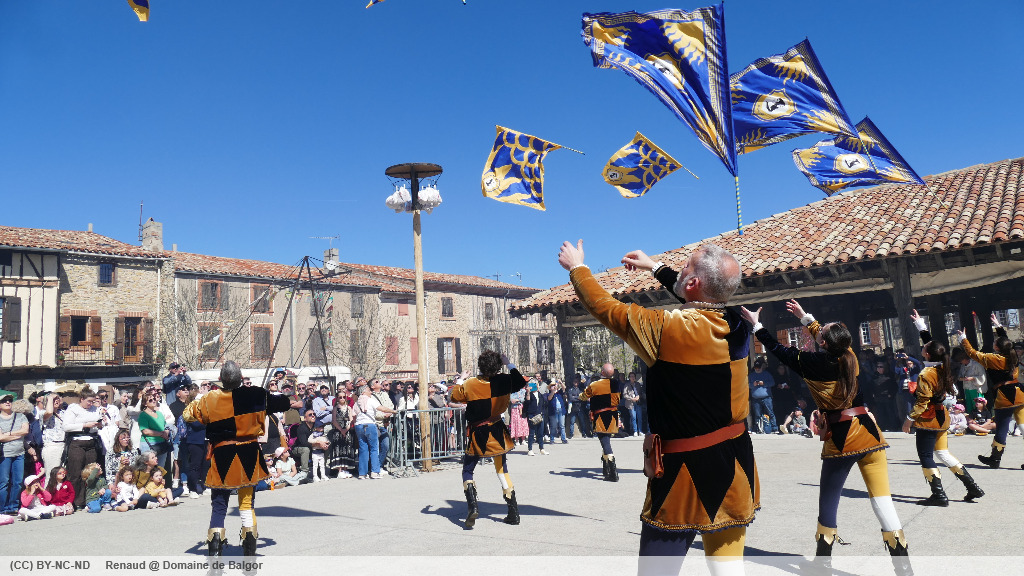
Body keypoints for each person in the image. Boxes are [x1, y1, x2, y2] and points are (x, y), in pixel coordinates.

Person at [563, 241, 757, 575]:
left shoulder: (667, 329)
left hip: (684, 470)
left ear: (693, 282)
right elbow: (698, 298)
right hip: (736, 460)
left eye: (686, 266)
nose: (681, 268)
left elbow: (606, 307)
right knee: (728, 570)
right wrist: (655, 268)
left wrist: (577, 268)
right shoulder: (739, 323)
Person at [742, 300, 908, 573]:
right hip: (869, 432)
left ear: (823, 343)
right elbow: (828, 338)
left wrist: (757, 325)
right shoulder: (850, 355)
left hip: (843, 437)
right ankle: (904, 568)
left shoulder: (812, 362)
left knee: (828, 502)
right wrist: (806, 319)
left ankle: (823, 563)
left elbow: (778, 349)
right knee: (883, 501)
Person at [182, 361, 295, 557]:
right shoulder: (256, 395)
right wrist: (266, 394)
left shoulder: (210, 399)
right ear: (241, 378)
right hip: (248, 451)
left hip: (222, 452)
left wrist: (200, 399)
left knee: (219, 502)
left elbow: (187, 415)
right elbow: (285, 402)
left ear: (221, 379)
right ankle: (250, 546)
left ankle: (214, 545)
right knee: (246, 501)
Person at [904, 311, 985, 505]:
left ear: (927, 354)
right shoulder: (942, 366)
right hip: (941, 416)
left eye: (925, 347)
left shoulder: (926, 373)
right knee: (942, 453)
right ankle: (972, 487)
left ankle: (939, 495)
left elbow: (922, 402)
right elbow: (933, 345)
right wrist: (921, 326)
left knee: (926, 455)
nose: (923, 347)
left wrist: (909, 418)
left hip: (928, 418)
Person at [449, 351, 526, 528]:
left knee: (468, 469)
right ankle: (513, 512)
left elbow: (454, 396)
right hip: (497, 429)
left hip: (478, 431)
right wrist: (508, 363)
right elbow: (520, 381)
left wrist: (461, 379)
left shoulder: (470, 383)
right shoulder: (505, 380)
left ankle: (473, 506)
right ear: (498, 366)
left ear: (480, 366)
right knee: (502, 469)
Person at [962, 314, 1023, 469]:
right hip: (1019, 393)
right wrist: (999, 326)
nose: (994, 342)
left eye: (996, 342)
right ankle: (994, 459)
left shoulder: (993, 359)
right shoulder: (1013, 355)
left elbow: (973, 353)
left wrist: (964, 339)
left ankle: (995, 459)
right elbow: (1007, 343)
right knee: (1023, 425)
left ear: (997, 348)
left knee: (1001, 428)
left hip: (1004, 396)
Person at [61, 388, 105, 511]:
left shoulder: (95, 409)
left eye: (93, 401)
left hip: (91, 442)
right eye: (89, 401)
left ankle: (88, 499)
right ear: (82, 399)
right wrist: (84, 425)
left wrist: (99, 424)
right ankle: (74, 501)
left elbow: (99, 425)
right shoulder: (73, 409)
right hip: (77, 442)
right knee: (75, 473)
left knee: (90, 473)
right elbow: (66, 427)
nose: (91, 404)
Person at [581, 363, 622, 481]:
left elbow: (584, 396)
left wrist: (582, 395)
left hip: (600, 417)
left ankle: (613, 473)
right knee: (606, 441)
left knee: (605, 442)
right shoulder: (616, 383)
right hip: (613, 416)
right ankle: (606, 468)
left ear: (602, 372)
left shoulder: (595, 385)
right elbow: (618, 399)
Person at [0, 394, 29, 516]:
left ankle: (13, 507)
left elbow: (25, 431)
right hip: (4, 454)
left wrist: (9, 433)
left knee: (18, 481)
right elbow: (1, 438)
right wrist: (17, 435)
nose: (8, 402)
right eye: (4, 401)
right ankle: (2, 508)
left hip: (19, 453)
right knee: (4, 482)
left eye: (10, 400)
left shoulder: (20, 416)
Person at [326, 389, 356, 479]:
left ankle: (346, 468)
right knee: (339, 449)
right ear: (337, 398)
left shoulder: (349, 408)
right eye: (340, 397)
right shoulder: (335, 408)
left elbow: (351, 419)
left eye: (344, 397)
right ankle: (340, 470)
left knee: (347, 449)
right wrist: (341, 429)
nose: (342, 399)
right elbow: (334, 420)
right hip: (338, 430)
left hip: (347, 429)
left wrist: (346, 429)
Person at [748, 358, 777, 434]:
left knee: (770, 413)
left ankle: (774, 428)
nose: (757, 369)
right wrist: (753, 385)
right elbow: (747, 385)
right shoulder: (751, 375)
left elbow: (773, 383)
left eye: (759, 368)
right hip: (755, 398)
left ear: (762, 367)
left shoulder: (767, 374)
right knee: (757, 414)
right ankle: (758, 428)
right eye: (756, 368)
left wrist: (764, 383)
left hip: (766, 397)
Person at [522, 382, 547, 456]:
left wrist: (542, 413)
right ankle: (530, 449)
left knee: (540, 432)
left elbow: (543, 404)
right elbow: (527, 401)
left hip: (540, 415)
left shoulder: (540, 394)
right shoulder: (528, 394)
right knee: (531, 433)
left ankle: (541, 448)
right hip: (532, 415)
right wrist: (528, 392)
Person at [546, 379, 569, 444]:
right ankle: (552, 439)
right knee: (553, 426)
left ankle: (563, 439)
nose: (554, 387)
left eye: (554, 385)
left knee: (562, 425)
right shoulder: (548, 394)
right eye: (552, 386)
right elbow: (549, 398)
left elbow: (564, 388)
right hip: (553, 411)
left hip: (561, 410)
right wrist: (553, 391)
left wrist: (560, 382)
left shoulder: (559, 393)